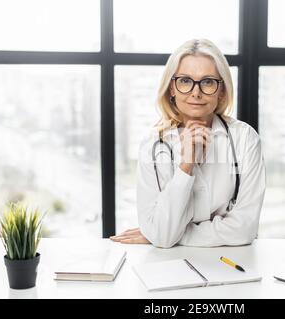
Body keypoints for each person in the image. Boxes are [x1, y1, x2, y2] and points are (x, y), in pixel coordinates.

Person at [110, 39, 266, 248]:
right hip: (168, 267)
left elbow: (244, 229)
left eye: (208, 81)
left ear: (222, 90)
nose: (196, 92)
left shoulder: (245, 139)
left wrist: (172, 235)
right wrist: (186, 165)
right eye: (185, 80)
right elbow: (163, 237)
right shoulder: (153, 145)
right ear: (171, 88)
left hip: (231, 263)